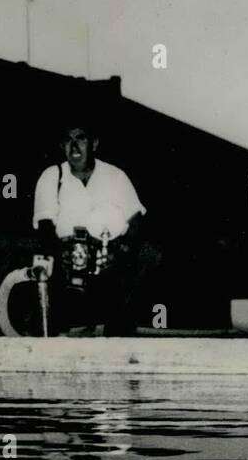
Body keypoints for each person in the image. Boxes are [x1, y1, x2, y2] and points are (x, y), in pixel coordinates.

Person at [32, 117, 159, 336]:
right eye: (68, 140)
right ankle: (54, 329)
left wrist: (120, 251)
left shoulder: (115, 176)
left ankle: (120, 329)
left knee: (150, 253)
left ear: (94, 144)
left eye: (80, 138)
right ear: (62, 146)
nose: (74, 146)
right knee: (42, 263)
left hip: (111, 256)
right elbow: (44, 226)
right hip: (68, 259)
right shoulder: (51, 176)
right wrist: (60, 252)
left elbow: (137, 223)